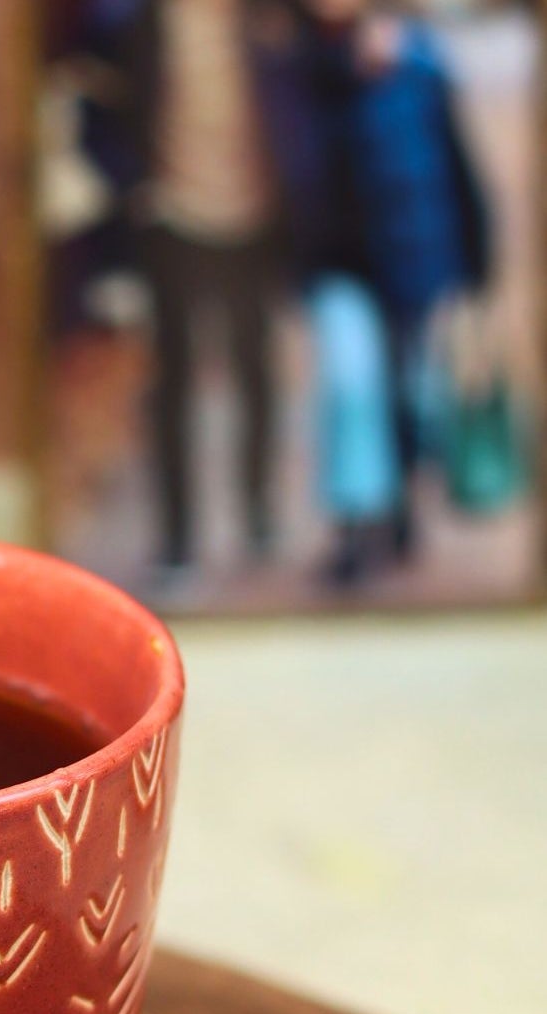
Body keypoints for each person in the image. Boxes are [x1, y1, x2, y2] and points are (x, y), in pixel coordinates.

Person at [82, 0, 319, 585]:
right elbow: (93, 100)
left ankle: (259, 514)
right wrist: (133, 185)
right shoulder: (133, 22)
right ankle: (177, 540)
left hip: (256, 219)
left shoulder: (269, 19)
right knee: (174, 383)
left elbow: (308, 91)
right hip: (172, 218)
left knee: (255, 371)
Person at [301, 0, 492, 585]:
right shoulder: (297, 58)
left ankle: (402, 505)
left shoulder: (419, 59)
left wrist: (478, 254)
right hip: (340, 259)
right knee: (352, 386)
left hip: (413, 256)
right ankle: (356, 525)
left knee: (408, 387)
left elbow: (454, 158)